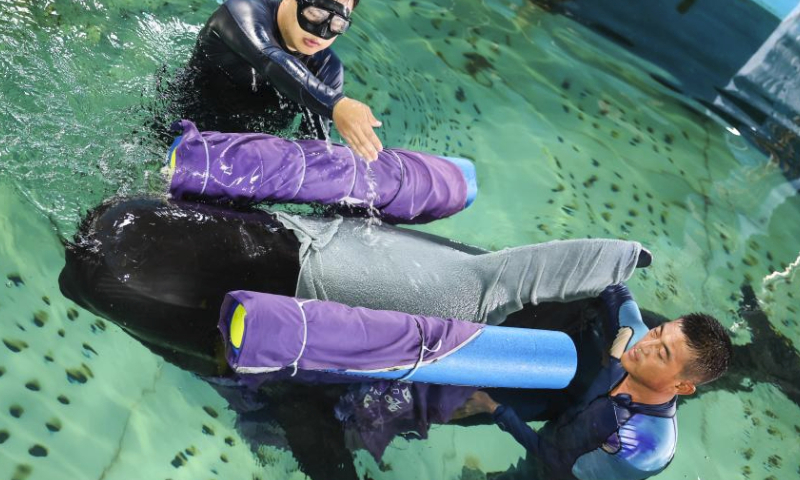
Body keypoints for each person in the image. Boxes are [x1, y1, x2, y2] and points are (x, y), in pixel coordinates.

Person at [454, 284, 733, 480]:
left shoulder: (645, 446)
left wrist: (494, 408)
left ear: (682, 387)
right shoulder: (634, 338)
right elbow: (614, 286)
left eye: (661, 354)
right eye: (657, 332)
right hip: (555, 438)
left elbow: (560, 465)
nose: (645, 345)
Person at [170, 0, 383, 161]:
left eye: (337, 23)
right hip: (179, 136)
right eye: (315, 13)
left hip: (250, 160)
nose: (322, 33)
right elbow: (270, 59)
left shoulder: (327, 67)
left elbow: (315, 149)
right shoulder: (240, 12)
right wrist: (336, 104)